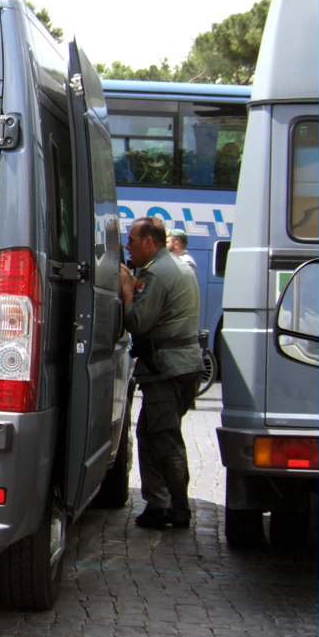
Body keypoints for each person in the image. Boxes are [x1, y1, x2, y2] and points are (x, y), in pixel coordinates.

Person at [118, 216, 204, 529]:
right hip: (181, 365)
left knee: (164, 440)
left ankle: (171, 508)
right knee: (155, 435)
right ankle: (164, 504)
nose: (128, 246)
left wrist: (127, 289)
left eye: (131, 240)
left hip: (166, 368)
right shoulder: (175, 265)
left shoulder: (156, 274)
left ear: (149, 243)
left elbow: (138, 322)